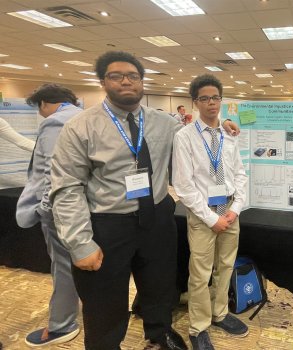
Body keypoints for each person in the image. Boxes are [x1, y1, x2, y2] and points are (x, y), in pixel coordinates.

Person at [49, 51, 189, 350]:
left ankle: (159, 333)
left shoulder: (164, 123)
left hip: (157, 216)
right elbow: (66, 187)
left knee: (160, 284)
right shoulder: (81, 127)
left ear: (142, 82)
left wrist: (221, 125)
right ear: (103, 82)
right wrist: (79, 242)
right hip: (108, 222)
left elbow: (196, 141)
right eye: (116, 76)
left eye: (133, 76)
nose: (126, 81)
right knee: (104, 300)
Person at [172, 74, 248, 350]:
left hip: (229, 210)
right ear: (195, 103)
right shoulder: (184, 137)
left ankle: (220, 314)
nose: (211, 103)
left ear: (221, 100)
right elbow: (183, 185)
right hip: (203, 213)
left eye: (215, 97)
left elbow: (239, 174)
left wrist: (235, 209)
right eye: (204, 98)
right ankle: (199, 326)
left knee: (226, 266)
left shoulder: (229, 134)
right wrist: (211, 218)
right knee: (201, 273)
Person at [16, 84, 82, 347]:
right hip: (87, 208)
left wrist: (45, 208)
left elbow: (54, 173)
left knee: (63, 267)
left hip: (61, 211)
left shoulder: (55, 122)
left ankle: (62, 325)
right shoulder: (88, 117)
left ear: (44, 103)